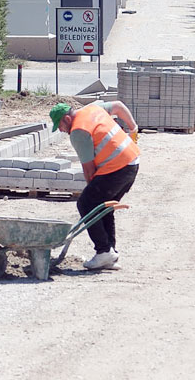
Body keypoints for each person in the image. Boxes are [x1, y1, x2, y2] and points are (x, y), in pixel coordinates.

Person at [50, 101, 140, 270]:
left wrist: (91, 193)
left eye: (60, 125)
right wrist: (133, 128)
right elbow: (119, 106)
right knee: (104, 207)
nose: (61, 130)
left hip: (118, 168)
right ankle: (109, 254)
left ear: (67, 119)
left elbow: (89, 169)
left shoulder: (78, 132)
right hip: (132, 163)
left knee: (86, 204)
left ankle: (104, 251)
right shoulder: (93, 109)